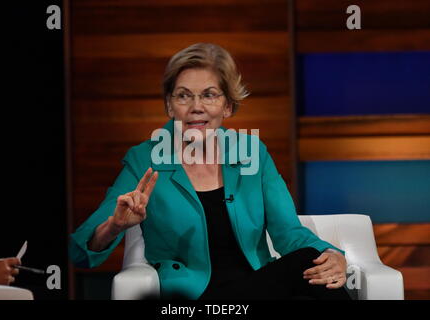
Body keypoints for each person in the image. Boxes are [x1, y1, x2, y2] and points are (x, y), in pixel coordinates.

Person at [69, 43, 351, 300]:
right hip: (193, 302)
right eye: (183, 96)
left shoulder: (252, 153)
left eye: (209, 95)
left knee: (312, 264)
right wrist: (115, 225)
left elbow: (288, 231)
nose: (196, 107)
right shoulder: (145, 159)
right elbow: (78, 251)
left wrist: (330, 255)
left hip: (257, 289)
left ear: (227, 106)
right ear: (170, 105)